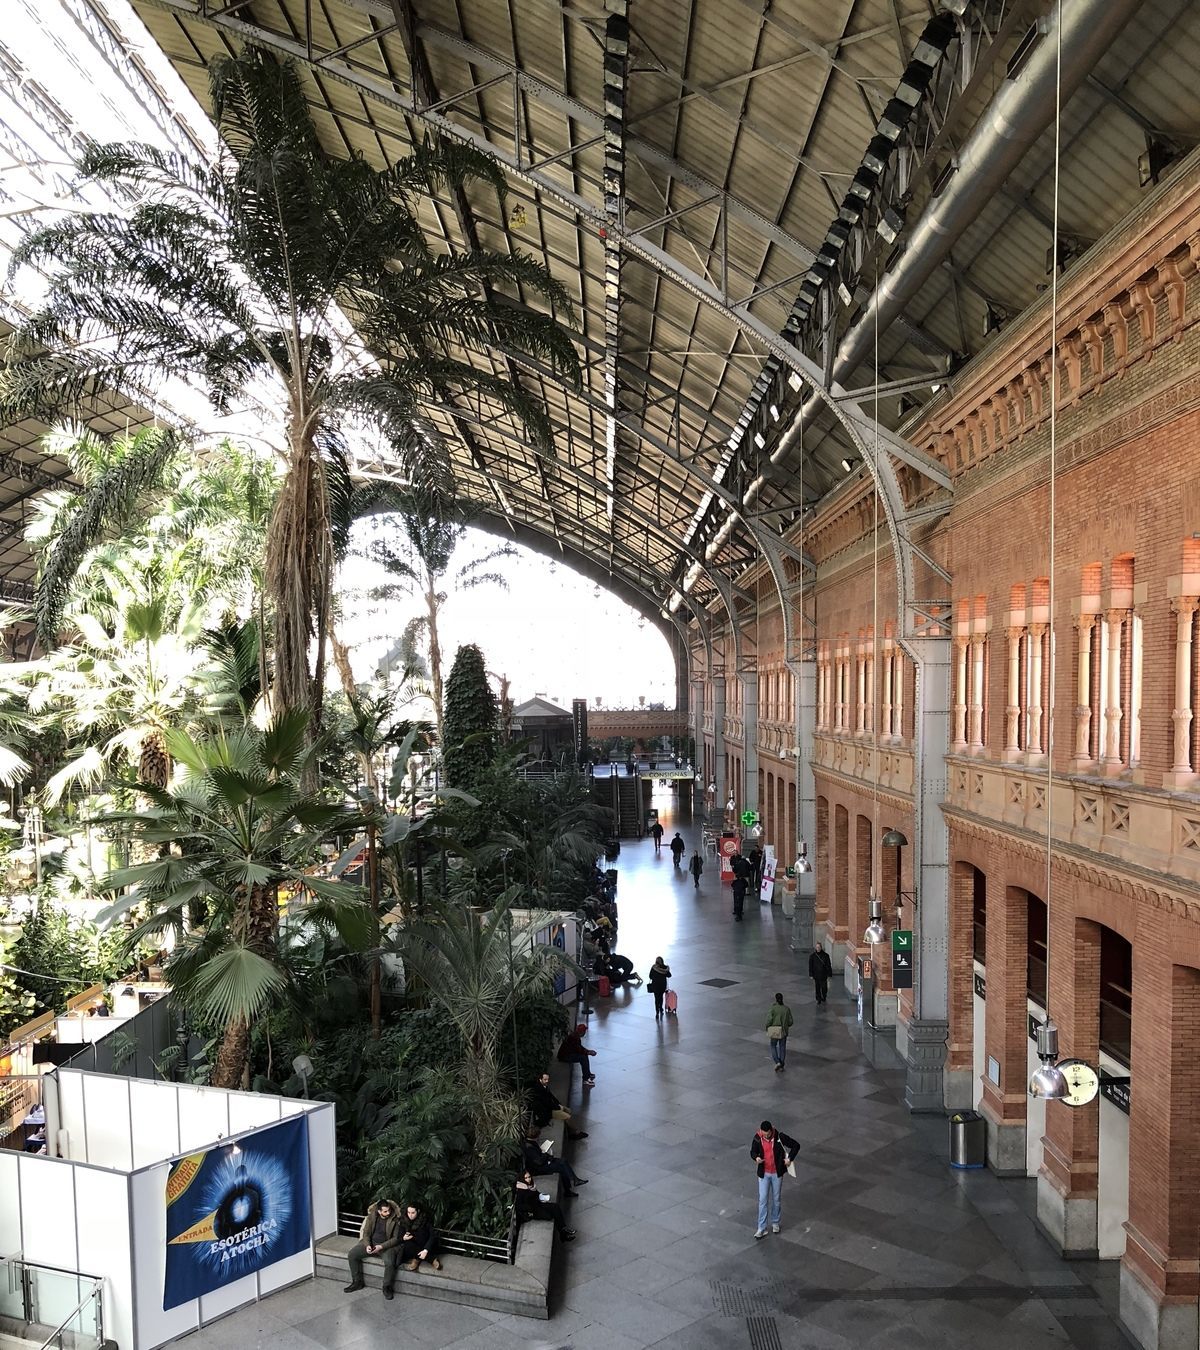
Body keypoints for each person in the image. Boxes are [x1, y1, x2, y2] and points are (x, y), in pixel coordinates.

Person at [750, 1120, 800, 1239]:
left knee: (776, 1198)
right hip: (764, 1173)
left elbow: (796, 1145)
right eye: (764, 1134)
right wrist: (756, 1158)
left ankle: (775, 1222)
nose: (766, 1136)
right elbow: (752, 1151)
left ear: (771, 1130)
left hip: (776, 1173)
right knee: (763, 1200)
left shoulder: (779, 1137)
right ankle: (761, 1228)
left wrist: (790, 1159)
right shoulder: (758, 1138)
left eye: (767, 1134)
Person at [344, 1197, 400, 1295]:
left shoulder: (395, 1219)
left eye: (389, 1210)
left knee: (390, 1262)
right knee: (352, 1254)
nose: (388, 1213)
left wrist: (381, 1247)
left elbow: (395, 1239)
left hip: (386, 1246)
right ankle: (357, 1282)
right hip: (371, 1243)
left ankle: (387, 1287)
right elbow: (366, 1233)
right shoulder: (371, 1217)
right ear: (379, 1211)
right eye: (385, 1211)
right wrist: (367, 1245)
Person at [522, 1128, 587, 1196]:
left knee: (563, 1161)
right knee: (562, 1169)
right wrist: (545, 1153)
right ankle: (571, 1185)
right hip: (538, 1168)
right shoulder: (529, 1148)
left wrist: (550, 1157)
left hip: (543, 1162)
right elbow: (539, 1162)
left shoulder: (530, 1143)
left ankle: (574, 1180)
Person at [515, 1170, 575, 1241]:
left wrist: (541, 1197)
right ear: (522, 1179)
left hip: (538, 1204)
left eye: (529, 1177)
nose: (528, 1179)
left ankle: (563, 1232)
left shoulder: (531, 1186)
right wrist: (530, 1208)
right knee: (549, 1215)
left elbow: (536, 1194)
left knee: (555, 1207)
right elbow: (519, 1205)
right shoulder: (521, 1190)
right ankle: (563, 1234)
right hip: (532, 1210)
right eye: (526, 1178)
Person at [526, 1071, 588, 1140]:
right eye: (545, 1079)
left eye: (548, 1079)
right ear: (540, 1079)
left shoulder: (544, 1086)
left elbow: (551, 1096)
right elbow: (547, 1103)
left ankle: (570, 1131)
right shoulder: (539, 1090)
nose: (547, 1081)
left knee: (568, 1110)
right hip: (548, 1111)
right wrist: (558, 1107)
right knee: (568, 1117)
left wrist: (558, 1104)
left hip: (552, 1107)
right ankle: (576, 1133)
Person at [392, 1203, 441, 1287]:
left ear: (418, 1211)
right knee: (407, 1245)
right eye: (409, 1212)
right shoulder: (403, 1220)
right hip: (411, 1247)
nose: (410, 1215)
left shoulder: (425, 1220)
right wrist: (404, 1237)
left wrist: (426, 1250)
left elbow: (432, 1236)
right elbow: (399, 1238)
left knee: (422, 1234)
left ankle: (417, 1258)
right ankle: (431, 1259)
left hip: (424, 1244)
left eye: (413, 1213)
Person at [765, 992, 794, 1072]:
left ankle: (777, 1062)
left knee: (773, 1045)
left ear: (776, 999)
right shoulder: (786, 1009)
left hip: (774, 1030)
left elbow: (769, 1020)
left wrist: (767, 1026)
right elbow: (790, 1022)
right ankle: (781, 1064)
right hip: (783, 1031)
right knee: (782, 1047)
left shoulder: (773, 1008)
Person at [647, 955, 672, 1019]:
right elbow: (669, 975)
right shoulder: (665, 968)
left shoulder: (654, 967)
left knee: (656, 998)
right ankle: (661, 1008)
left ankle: (657, 1012)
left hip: (655, 985)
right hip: (662, 985)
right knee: (661, 997)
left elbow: (650, 976)